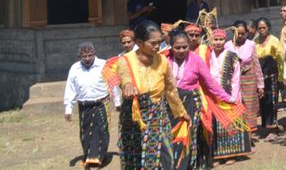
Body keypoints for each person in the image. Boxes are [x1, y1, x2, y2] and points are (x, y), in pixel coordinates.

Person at [103, 20, 190, 169]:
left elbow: (170, 90)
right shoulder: (126, 61)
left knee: (165, 154)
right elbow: (125, 78)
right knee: (135, 159)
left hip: (157, 113)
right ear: (139, 42)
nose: (157, 46)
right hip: (133, 117)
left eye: (159, 42)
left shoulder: (162, 60)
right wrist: (128, 86)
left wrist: (181, 112)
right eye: (153, 43)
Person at [165, 32, 238, 170]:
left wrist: (228, 98)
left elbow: (210, 82)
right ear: (171, 47)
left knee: (188, 135)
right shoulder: (164, 59)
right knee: (170, 134)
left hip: (191, 102)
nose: (181, 51)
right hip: (169, 103)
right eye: (177, 48)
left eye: (184, 47)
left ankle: (187, 166)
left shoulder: (196, 60)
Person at [64, 42, 120, 169]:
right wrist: (68, 108)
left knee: (101, 131)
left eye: (90, 55)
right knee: (86, 133)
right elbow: (70, 89)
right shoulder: (75, 68)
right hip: (84, 105)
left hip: (101, 103)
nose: (88, 58)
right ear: (79, 56)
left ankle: (99, 159)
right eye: (84, 56)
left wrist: (117, 101)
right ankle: (89, 157)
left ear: (94, 54)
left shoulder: (104, 65)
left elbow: (113, 84)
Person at [208, 28, 253, 164]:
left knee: (230, 125)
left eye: (221, 39)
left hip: (229, 95)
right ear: (211, 40)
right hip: (213, 96)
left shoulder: (232, 56)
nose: (218, 42)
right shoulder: (207, 55)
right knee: (216, 126)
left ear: (225, 40)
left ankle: (232, 155)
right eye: (215, 39)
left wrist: (233, 97)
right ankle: (219, 155)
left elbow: (236, 78)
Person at [226, 20, 264, 133]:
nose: (241, 36)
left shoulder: (250, 44)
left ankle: (248, 136)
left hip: (249, 79)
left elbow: (256, 65)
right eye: (238, 33)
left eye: (243, 33)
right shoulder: (227, 45)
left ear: (247, 33)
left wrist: (260, 85)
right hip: (233, 80)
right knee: (235, 104)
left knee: (249, 106)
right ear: (234, 32)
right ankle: (237, 134)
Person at [254, 18, 284, 141]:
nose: (262, 30)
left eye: (264, 28)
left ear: (268, 28)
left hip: (272, 75)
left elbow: (281, 60)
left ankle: (273, 129)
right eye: (259, 28)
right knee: (263, 102)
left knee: (272, 101)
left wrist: (282, 77)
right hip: (260, 75)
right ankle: (267, 126)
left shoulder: (274, 41)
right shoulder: (254, 41)